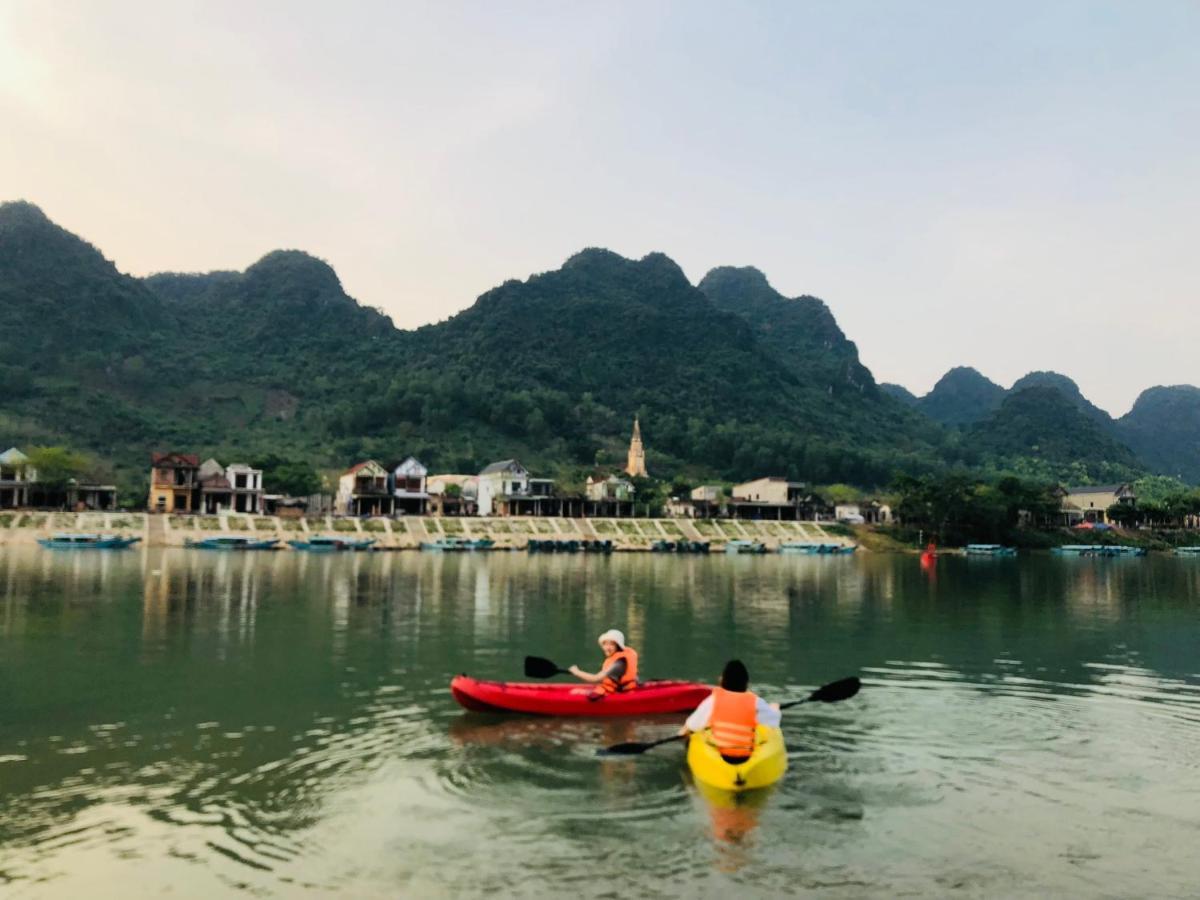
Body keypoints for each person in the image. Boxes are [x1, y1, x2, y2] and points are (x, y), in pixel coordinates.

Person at [678, 659, 780, 763]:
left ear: (722, 681)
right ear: (746, 683)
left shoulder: (713, 700)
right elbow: (774, 722)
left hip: (720, 756)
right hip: (745, 756)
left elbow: (692, 725)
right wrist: (775, 708)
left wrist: (683, 732)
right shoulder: (756, 702)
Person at [568, 629, 638, 697]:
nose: (607, 648)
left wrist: (576, 672)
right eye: (605, 644)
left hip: (619, 694)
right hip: (615, 690)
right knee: (576, 691)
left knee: (575, 693)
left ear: (618, 646)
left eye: (611, 644)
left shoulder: (619, 664)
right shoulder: (619, 657)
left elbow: (595, 678)